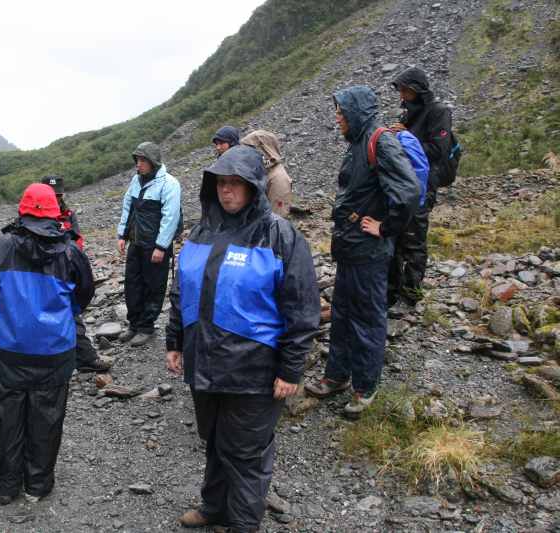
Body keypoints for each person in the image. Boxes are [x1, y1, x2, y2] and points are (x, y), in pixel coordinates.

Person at [166, 145, 320, 533]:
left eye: (235, 183)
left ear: (253, 186)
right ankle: (214, 507)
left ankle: (243, 524)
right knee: (215, 441)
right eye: (221, 182)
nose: (226, 190)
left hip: (253, 370)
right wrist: (174, 341)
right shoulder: (200, 233)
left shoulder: (279, 236)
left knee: (246, 453)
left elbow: (301, 308)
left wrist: (290, 369)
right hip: (204, 363)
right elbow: (182, 291)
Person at [305, 86, 419, 416]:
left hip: (369, 251)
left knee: (367, 318)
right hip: (351, 249)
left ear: (356, 112)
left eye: (341, 111)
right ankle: (337, 376)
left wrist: (385, 227)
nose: (337, 117)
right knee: (342, 313)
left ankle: (365, 387)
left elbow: (409, 192)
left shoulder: (380, 141)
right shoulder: (358, 142)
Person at [0, 183, 94, 505]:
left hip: (11, 347)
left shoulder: (1, 246)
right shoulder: (71, 252)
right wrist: (61, 313)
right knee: (47, 417)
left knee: (6, 416)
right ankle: (37, 484)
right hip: (54, 349)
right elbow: (84, 294)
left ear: (22, 210)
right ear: (55, 213)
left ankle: (6, 485)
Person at [388, 67, 453, 307]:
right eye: (400, 90)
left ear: (418, 90)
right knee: (395, 235)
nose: (402, 95)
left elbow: (438, 150)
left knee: (414, 238)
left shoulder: (438, 112)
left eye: (406, 90)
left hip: (425, 185)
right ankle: (392, 291)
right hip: (403, 183)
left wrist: (407, 137)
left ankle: (411, 293)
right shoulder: (409, 113)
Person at [41, 175, 111, 374]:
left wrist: (72, 260)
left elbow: (77, 240)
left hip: (65, 271)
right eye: (52, 195)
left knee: (71, 314)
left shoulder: (68, 214)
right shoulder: (34, 217)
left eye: (58, 195)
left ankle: (82, 358)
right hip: (43, 274)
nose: (56, 198)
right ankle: (75, 359)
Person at [116, 142, 181, 347]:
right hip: (136, 242)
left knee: (153, 286)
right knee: (132, 284)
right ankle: (134, 324)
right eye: (137, 160)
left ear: (153, 162)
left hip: (155, 246)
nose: (138, 164)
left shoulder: (169, 184)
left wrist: (161, 247)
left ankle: (146, 327)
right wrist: (122, 235)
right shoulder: (136, 180)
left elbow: (170, 217)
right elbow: (128, 207)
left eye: (143, 160)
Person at [241, 129, 294, 217]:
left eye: (250, 150)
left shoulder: (278, 179)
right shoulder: (261, 171)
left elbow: (277, 218)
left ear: (264, 151)